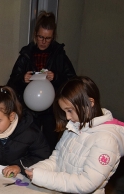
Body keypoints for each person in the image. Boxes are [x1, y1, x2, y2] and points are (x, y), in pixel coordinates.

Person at [25, 76, 124, 194]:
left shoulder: (106, 140)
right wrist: (36, 170)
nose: (68, 117)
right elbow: (57, 158)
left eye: (70, 110)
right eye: (65, 111)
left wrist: (42, 177)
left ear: (89, 103)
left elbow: (87, 182)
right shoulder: (75, 126)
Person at [7, 11, 76, 152]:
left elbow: (72, 81)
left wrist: (56, 77)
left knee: (50, 143)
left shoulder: (59, 54)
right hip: (29, 109)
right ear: (35, 34)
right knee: (29, 141)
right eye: (40, 37)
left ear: (53, 37)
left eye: (48, 38)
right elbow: (11, 83)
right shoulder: (26, 54)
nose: (43, 41)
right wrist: (22, 79)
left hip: (52, 109)